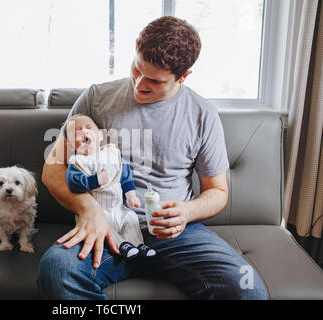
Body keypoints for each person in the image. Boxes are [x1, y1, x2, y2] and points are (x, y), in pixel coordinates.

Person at [37, 16, 268, 299]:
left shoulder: (202, 113)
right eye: (136, 68)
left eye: (154, 81)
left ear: (183, 77)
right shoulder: (96, 97)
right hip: (106, 226)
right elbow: (52, 170)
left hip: (177, 235)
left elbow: (218, 192)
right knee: (56, 271)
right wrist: (89, 209)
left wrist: (187, 212)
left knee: (247, 288)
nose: (138, 84)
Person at [64, 114, 156, 260]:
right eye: (77, 132)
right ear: (70, 145)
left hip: (119, 207)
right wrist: (95, 180)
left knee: (130, 218)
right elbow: (73, 183)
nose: (84, 132)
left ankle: (139, 244)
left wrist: (131, 194)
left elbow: (125, 176)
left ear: (100, 135)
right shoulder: (77, 162)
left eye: (88, 128)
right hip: (99, 212)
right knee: (105, 226)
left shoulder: (112, 153)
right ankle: (123, 245)